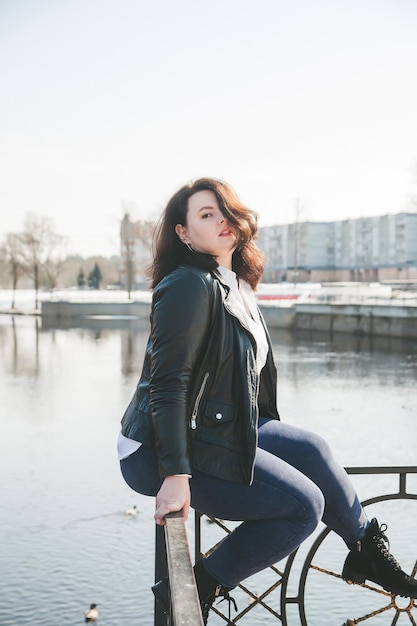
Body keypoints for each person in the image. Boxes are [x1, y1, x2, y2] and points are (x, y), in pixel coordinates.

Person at [118, 177, 417, 624]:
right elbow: (168, 385)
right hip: (160, 448)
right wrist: (176, 475)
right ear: (183, 234)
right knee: (304, 507)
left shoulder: (235, 283)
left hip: (219, 427)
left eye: (224, 210)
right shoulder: (188, 285)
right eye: (205, 215)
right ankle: (199, 584)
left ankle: (365, 551)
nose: (220, 220)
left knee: (312, 449)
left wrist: (272, 442)